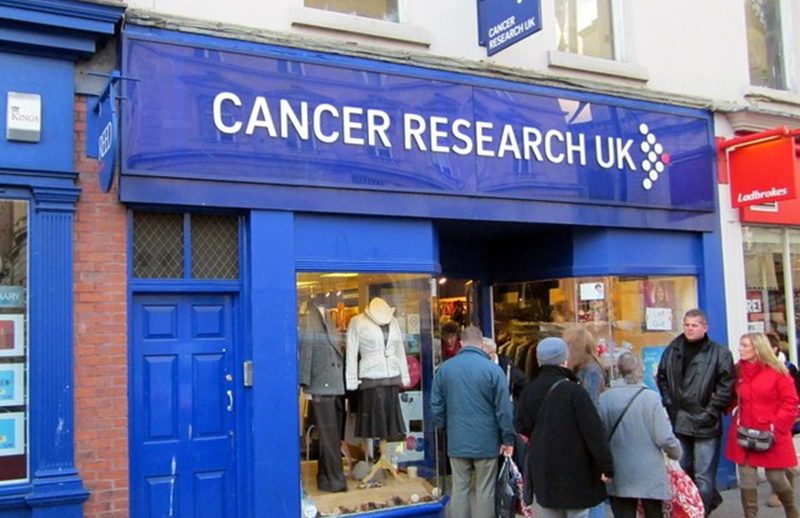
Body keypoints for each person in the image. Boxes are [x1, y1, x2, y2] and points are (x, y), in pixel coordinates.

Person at [516, 336, 614, 517]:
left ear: (539, 360)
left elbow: (522, 427)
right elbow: (593, 433)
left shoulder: (529, 391)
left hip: (544, 474)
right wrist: (606, 466)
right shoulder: (574, 392)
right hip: (576, 475)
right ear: (564, 359)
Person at [431, 325, 515, 518]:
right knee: (485, 491)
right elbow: (504, 409)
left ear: (461, 343)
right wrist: (507, 438)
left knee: (459, 489)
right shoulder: (493, 371)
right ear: (481, 344)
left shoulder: (444, 369)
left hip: (457, 439)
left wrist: (446, 426)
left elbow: (435, 405)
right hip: (487, 441)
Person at [656, 308, 734, 516]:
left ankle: (700, 513)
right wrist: (669, 404)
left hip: (705, 422)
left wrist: (710, 411)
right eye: (687, 325)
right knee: (682, 472)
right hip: (679, 419)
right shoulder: (673, 349)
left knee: (704, 476)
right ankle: (688, 511)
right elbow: (662, 378)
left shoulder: (720, 353)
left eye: (694, 325)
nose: (689, 329)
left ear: (704, 327)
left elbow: (727, 386)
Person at [598, 353, 682, 518]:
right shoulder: (651, 398)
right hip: (649, 473)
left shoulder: (604, 399)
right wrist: (676, 453)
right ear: (640, 371)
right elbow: (664, 437)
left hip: (618, 470)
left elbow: (599, 435)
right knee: (653, 513)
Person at [725, 332, 799, 518]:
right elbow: (731, 396)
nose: (740, 348)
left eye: (744, 345)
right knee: (747, 480)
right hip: (744, 431)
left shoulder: (778, 372)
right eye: (740, 344)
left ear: (757, 348)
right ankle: (750, 515)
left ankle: (790, 509)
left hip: (771, 432)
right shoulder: (737, 371)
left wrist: (776, 425)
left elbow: (790, 402)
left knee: (776, 478)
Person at [299, 295, 347, 492]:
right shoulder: (310, 317)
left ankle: (327, 478)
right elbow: (307, 348)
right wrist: (305, 382)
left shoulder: (323, 316)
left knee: (330, 435)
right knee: (328, 436)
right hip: (322, 384)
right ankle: (334, 480)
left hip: (331, 383)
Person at [766, 332, 800, 508]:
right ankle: (779, 488)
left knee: (781, 454)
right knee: (771, 453)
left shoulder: (788, 367)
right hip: (766, 419)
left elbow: (795, 394)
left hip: (785, 417)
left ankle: (782, 489)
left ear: (774, 349)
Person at [563, 324, 607, 406]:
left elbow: (590, 403)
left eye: (567, 345)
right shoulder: (579, 368)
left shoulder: (591, 371)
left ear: (575, 348)